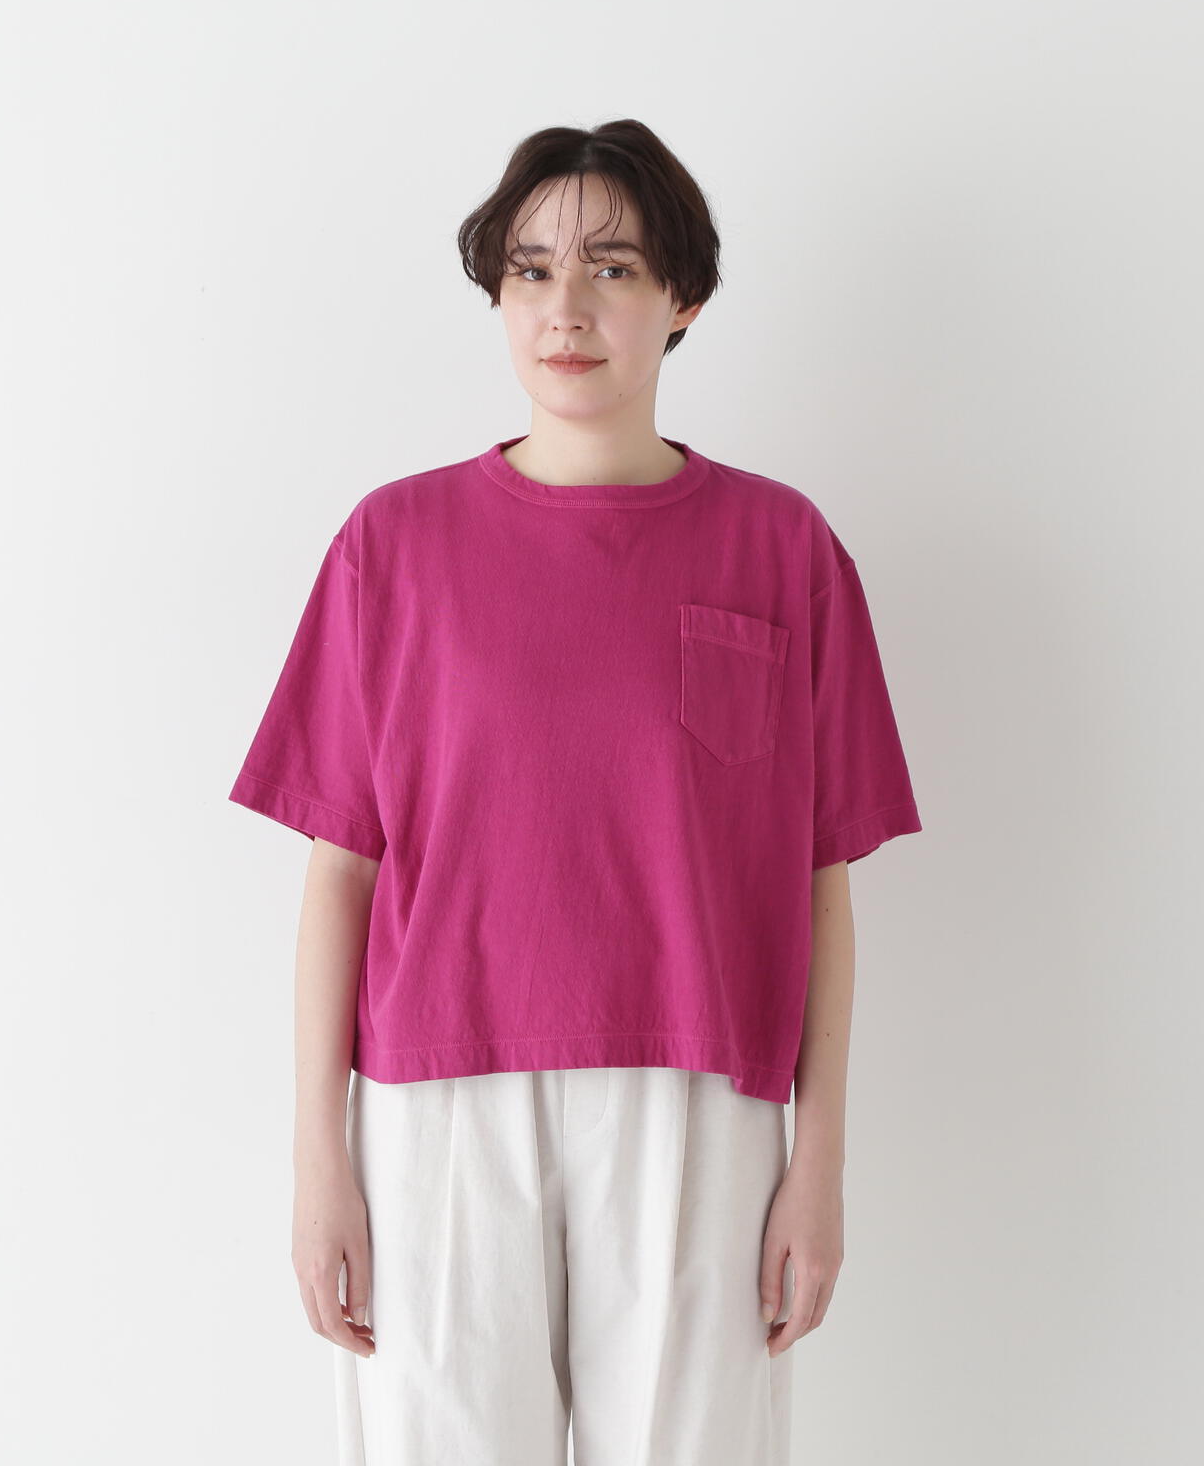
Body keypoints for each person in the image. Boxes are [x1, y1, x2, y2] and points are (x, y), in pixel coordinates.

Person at [227, 118, 923, 1465]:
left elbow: (820, 877)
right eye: (532, 270)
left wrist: (819, 1163)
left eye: (612, 268)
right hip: (435, 1097)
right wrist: (321, 1160)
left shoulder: (782, 549)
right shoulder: (394, 547)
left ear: (683, 298)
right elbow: (341, 869)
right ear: (497, 296)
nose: (567, 308)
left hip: (698, 1096)